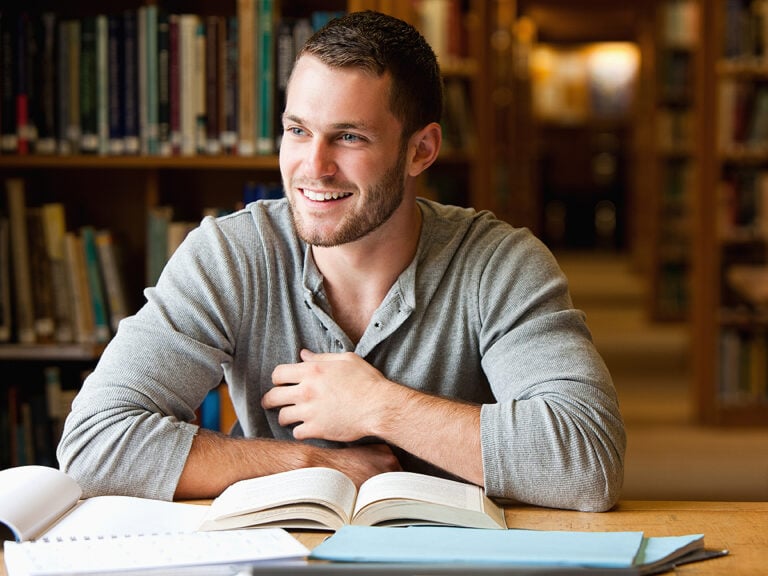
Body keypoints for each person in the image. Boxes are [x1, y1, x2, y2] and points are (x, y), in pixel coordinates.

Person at [57, 10, 625, 512]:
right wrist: (309, 465)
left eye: (349, 137)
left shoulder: (500, 263)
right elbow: (93, 443)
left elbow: (587, 461)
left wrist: (378, 406)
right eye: (297, 131)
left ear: (420, 150)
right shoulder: (230, 255)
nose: (313, 166)